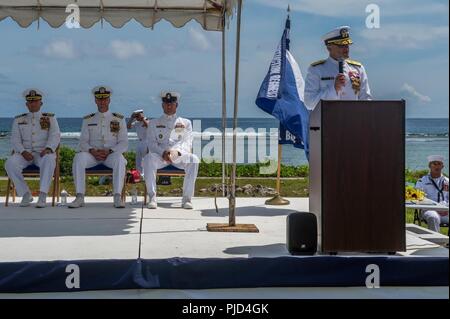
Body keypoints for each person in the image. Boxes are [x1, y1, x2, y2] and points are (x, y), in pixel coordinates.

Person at [69, 86, 128, 208]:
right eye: (99, 99)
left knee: (120, 159)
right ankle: (80, 196)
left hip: (110, 155)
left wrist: (110, 151)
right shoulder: (88, 119)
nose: (102, 102)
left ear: (109, 100)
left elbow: (123, 143)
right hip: (92, 155)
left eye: (105, 99)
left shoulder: (119, 119)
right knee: (78, 158)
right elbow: (83, 142)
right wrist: (92, 151)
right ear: (95, 100)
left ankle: (117, 197)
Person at [143, 91, 199, 209]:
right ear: (162, 105)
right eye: (166, 103)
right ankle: (152, 197)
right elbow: (151, 143)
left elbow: (187, 142)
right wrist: (163, 153)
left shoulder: (186, 123)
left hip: (178, 156)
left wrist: (176, 152)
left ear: (176, 105)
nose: (169, 106)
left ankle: (187, 199)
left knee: (193, 159)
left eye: (172, 103)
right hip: (160, 157)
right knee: (148, 158)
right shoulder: (153, 123)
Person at [5, 89, 60, 208]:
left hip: (42, 153)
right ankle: (25, 194)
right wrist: (23, 152)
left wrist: (48, 148)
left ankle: (43, 195)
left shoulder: (50, 118)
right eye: (30, 102)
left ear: (41, 103)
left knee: (49, 159)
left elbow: (55, 136)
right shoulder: (19, 120)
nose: (33, 104)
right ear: (26, 104)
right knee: (10, 163)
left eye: (35, 101)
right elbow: (15, 139)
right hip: (25, 155)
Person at [304, 26, 372, 110]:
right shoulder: (316, 70)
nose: (346, 48)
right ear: (329, 48)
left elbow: (366, 100)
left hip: (354, 120)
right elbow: (309, 103)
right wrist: (334, 89)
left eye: (347, 45)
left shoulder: (358, 69)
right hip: (328, 121)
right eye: (341, 45)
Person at [415, 155, 449, 232]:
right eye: (434, 164)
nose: (437, 166)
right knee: (433, 217)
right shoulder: (422, 181)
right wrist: (436, 208)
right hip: (429, 210)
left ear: (442, 166)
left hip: (445, 211)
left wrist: (446, 208)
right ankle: (436, 243)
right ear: (429, 166)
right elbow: (419, 199)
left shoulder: (447, 181)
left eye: (439, 164)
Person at [127, 109, 149, 175]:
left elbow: (148, 125)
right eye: (135, 116)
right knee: (138, 160)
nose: (136, 118)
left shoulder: (146, 119)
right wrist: (131, 118)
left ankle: (146, 174)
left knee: (146, 159)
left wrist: (142, 118)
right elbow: (128, 126)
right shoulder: (136, 122)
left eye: (137, 116)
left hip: (146, 142)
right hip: (139, 141)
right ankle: (139, 174)